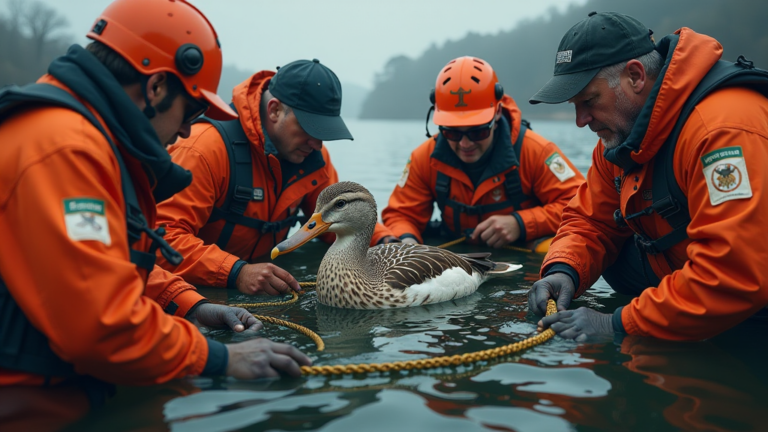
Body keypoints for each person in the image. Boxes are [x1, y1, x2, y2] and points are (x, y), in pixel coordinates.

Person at [0, 0, 310, 402]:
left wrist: (189, 305)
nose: (187, 129)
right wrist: (216, 358)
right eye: (192, 109)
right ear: (156, 86)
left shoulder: (81, 138)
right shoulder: (66, 150)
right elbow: (100, 327)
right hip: (28, 404)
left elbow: (104, 264)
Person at [527, 11, 768, 340]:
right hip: (683, 275)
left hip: (748, 295)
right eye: (573, 105)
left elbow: (736, 272)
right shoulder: (618, 139)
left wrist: (617, 325)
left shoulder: (722, 132)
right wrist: (563, 269)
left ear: (636, 76)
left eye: (589, 100)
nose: (580, 120)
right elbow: (590, 221)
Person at [154, 59, 395, 296]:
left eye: (325, 132)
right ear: (275, 110)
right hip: (194, 291)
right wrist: (237, 272)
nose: (317, 143)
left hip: (261, 280)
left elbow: (335, 218)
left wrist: (386, 241)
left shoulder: (312, 155)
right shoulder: (202, 149)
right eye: (310, 128)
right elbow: (161, 240)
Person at [381, 56, 585, 250]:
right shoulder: (423, 159)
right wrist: (406, 242)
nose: (465, 143)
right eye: (451, 132)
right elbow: (401, 214)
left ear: (497, 113)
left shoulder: (535, 152)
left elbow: (580, 205)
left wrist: (521, 223)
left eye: (477, 131)